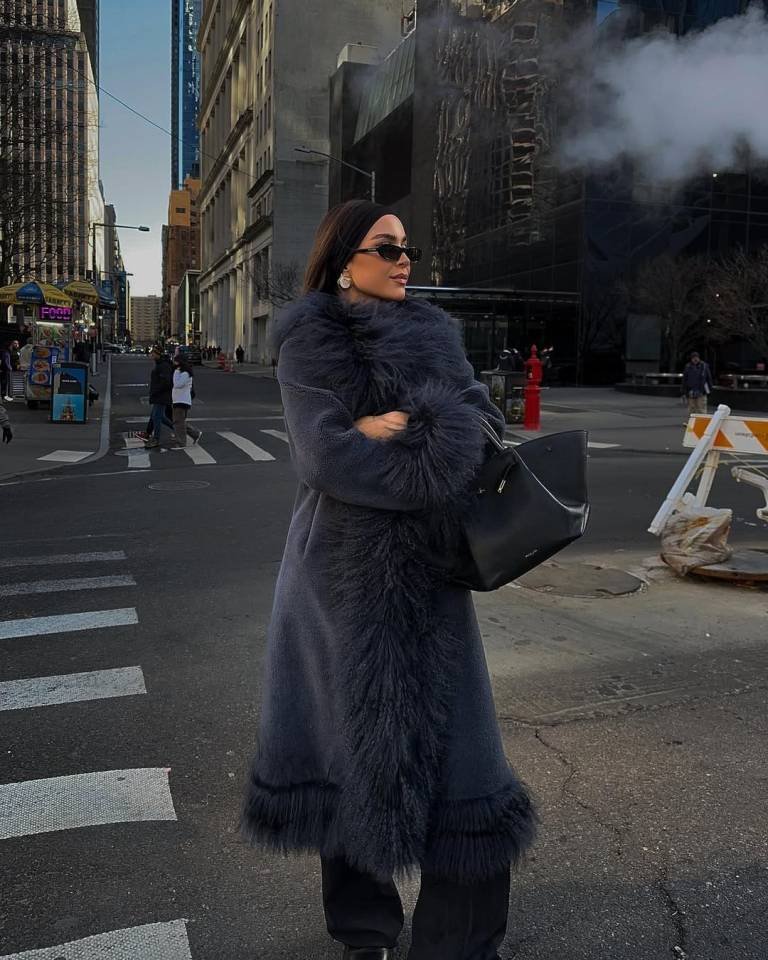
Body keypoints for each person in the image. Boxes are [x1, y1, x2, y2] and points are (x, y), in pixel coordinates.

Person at [241, 200, 535, 960]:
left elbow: (484, 430)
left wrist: (398, 425)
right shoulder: (310, 338)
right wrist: (429, 434)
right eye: (387, 246)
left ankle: (460, 943)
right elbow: (328, 459)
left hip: (432, 576)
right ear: (346, 261)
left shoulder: (436, 332)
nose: (406, 259)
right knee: (339, 755)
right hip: (334, 582)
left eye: (408, 246)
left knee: (467, 769)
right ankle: (362, 933)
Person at [145, 346, 176, 448]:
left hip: (161, 396)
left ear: (158, 354)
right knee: (160, 417)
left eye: (153, 353)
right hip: (159, 395)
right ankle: (182, 430)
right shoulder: (160, 364)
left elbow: (166, 382)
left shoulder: (163, 365)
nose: (151, 355)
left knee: (157, 418)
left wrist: (156, 390)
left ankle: (156, 439)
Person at [171, 354, 202, 447]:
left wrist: (176, 372)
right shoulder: (182, 372)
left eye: (175, 361)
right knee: (179, 421)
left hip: (182, 400)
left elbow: (177, 384)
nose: (174, 363)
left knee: (178, 422)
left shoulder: (185, 373)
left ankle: (181, 442)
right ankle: (195, 433)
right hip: (178, 400)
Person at [682, 351, 713, 415]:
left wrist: (709, 390)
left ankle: (701, 424)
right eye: (693, 358)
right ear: (691, 359)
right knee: (691, 409)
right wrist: (684, 392)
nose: (695, 359)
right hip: (690, 391)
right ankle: (692, 423)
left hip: (701, 391)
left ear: (699, 358)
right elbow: (684, 380)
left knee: (701, 409)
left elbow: (708, 379)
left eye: (696, 357)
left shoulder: (704, 366)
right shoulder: (688, 367)